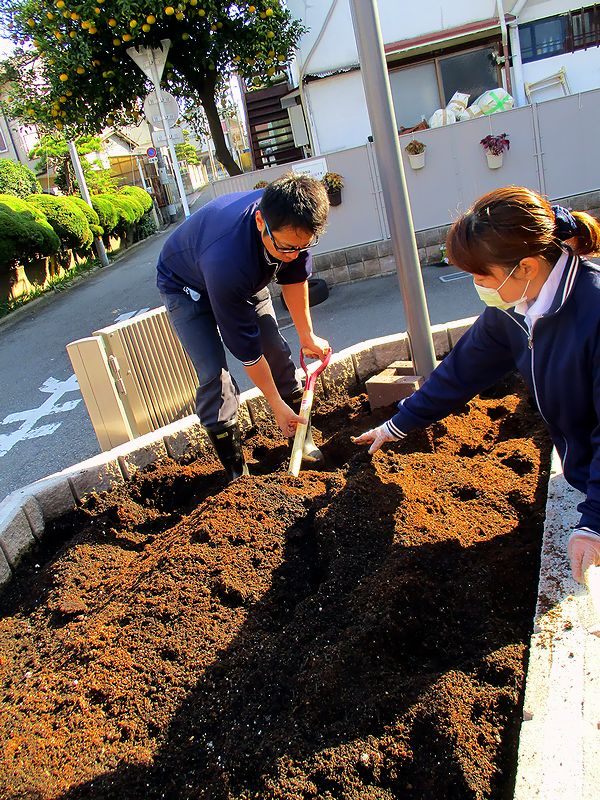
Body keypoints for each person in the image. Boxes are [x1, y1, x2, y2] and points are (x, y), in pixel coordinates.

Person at [353, 186, 600, 585]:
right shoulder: (516, 309)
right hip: (582, 468)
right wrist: (397, 424)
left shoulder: (593, 313)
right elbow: (462, 369)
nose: (478, 284)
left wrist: (594, 523)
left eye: (482, 274)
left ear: (526, 266)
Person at [157, 173, 330, 481]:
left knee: (276, 348)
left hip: (242, 278)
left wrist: (307, 334)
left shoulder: (292, 223)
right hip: (185, 286)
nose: (293, 254)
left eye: (301, 248)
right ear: (261, 221)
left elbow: (293, 279)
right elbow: (247, 352)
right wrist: (274, 404)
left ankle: (301, 439)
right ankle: (238, 472)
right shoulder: (228, 262)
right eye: (287, 247)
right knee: (214, 375)